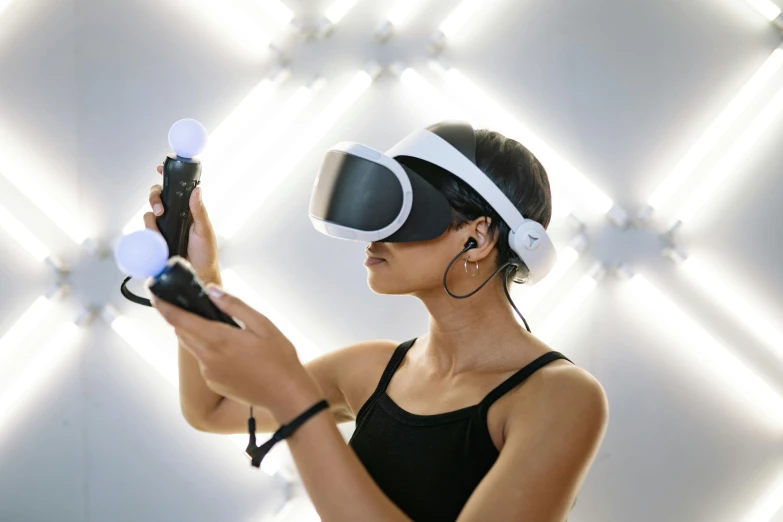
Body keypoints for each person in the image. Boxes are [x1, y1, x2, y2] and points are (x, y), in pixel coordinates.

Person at [144, 127, 609, 522]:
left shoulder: (559, 397)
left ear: (478, 237)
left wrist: (293, 398)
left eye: (402, 214)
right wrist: (196, 275)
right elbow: (210, 409)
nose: (373, 234)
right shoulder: (370, 369)